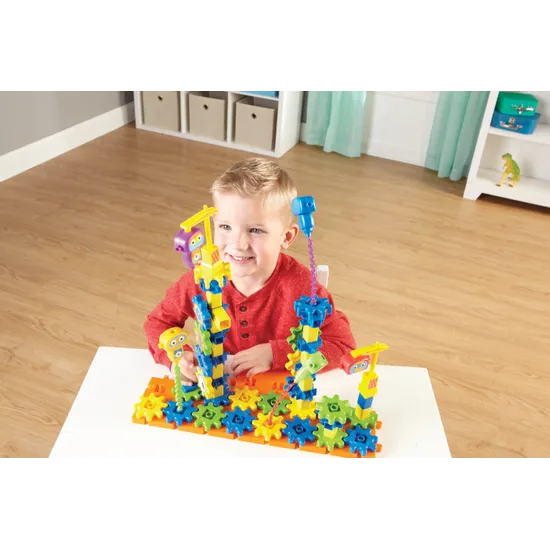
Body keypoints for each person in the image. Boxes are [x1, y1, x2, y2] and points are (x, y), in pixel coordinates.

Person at [143, 158, 357, 385]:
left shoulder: (303, 287)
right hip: (221, 387)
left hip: (280, 390)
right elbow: (157, 323)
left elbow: (342, 345)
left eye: (255, 230)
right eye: (225, 227)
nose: (238, 244)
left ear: (286, 237)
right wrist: (177, 357)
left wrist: (276, 353)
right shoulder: (200, 280)